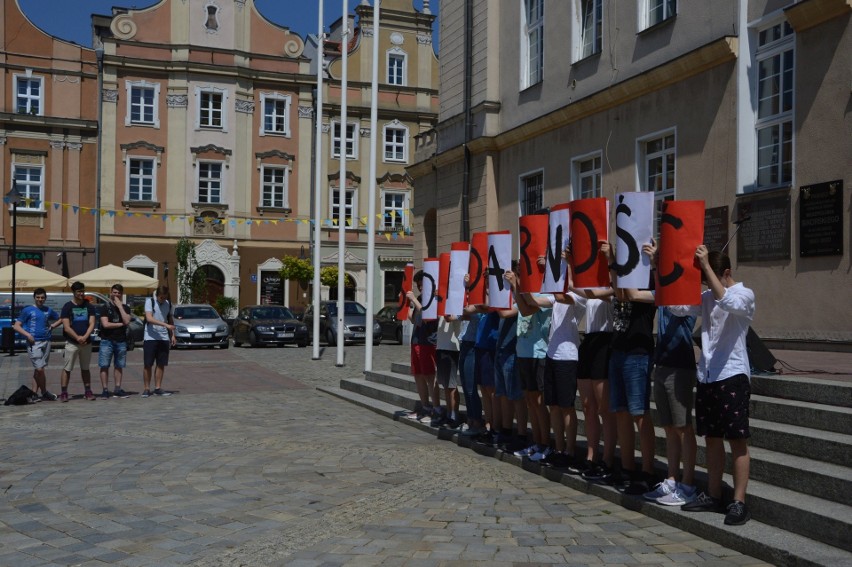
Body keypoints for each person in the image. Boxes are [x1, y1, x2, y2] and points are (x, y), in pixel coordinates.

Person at [671, 246, 755, 526]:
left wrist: (707, 267)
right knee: (712, 438)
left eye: (710, 277)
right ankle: (714, 494)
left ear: (726, 273)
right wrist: (662, 267)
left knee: (737, 440)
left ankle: (739, 501)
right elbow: (678, 306)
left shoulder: (744, 294)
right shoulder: (707, 296)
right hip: (707, 375)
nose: (707, 285)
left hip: (732, 374)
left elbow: (728, 301)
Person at [627, 241, 699, 506]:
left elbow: (672, 302)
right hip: (663, 361)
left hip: (680, 364)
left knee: (683, 427)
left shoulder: (688, 293)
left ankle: (688, 483)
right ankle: (671, 477)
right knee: (669, 427)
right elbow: (644, 294)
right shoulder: (666, 291)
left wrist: (659, 265)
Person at [600, 241, 657, 494]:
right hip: (619, 350)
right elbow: (620, 293)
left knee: (639, 413)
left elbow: (631, 294)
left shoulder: (650, 282)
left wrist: (616, 262)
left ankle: (646, 471)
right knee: (620, 412)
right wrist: (613, 263)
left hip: (638, 352)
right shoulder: (623, 281)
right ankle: (625, 467)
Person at [505, 270, 552, 462]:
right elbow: (507, 312)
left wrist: (517, 286)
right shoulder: (523, 293)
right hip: (523, 351)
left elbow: (527, 309)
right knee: (530, 400)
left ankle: (545, 443)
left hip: (539, 352)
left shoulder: (543, 295)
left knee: (539, 401)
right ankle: (536, 440)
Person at [12, 288, 63, 401]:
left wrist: (53, 326)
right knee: (39, 369)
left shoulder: (48, 310)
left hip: (46, 341)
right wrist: (28, 335)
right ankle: (44, 392)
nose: (40, 299)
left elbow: (62, 318)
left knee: (38, 369)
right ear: (34, 298)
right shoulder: (28, 310)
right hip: (34, 343)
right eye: (38, 297)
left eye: (42, 297)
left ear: (45, 298)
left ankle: (33, 394)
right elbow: (16, 326)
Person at [406, 271, 439, 419]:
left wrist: (415, 300)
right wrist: (407, 306)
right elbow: (414, 320)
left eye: (422, 285)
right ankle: (425, 406)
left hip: (428, 342)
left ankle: (435, 408)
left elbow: (428, 317)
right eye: (418, 286)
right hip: (416, 340)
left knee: (429, 376)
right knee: (418, 375)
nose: (420, 289)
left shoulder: (433, 298)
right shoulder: (419, 298)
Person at [59, 281, 97, 402]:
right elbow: (66, 327)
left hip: (86, 342)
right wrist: (77, 338)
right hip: (72, 342)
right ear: (74, 292)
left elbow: (92, 323)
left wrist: (85, 336)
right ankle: (64, 392)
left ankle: (88, 391)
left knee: (85, 368)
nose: (81, 293)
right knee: (67, 368)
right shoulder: (67, 307)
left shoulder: (89, 306)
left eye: (82, 291)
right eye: (79, 291)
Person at [98, 283, 132, 399]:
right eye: (114, 292)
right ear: (110, 293)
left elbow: (127, 321)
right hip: (107, 340)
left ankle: (117, 388)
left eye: (118, 293)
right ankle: (105, 390)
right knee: (104, 365)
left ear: (122, 294)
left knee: (119, 366)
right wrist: (120, 324)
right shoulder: (105, 307)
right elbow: (105, 324)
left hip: (121, 341)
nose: (116, 295)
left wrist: (120, 307)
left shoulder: (126, 308)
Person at [143, 286, 176, 398]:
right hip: (150, 337)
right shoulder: (149, 302)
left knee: (161, 363)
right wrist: (165, 325)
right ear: (157, 295)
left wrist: (173, 335)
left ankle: (157, 387)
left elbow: (170, 319)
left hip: (163, 337)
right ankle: (147, 388)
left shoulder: (168, 304)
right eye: (161, 297)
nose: (162, 299)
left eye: (164, 297)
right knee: (148, 364)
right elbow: (149, 318)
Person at [433, 314, 461, 428]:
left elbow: (451, 318)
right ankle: (449, 413)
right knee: (445, 384)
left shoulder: (453, 303)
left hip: (451, 347)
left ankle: (454, 415)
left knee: (451, 384)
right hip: (441, 345)